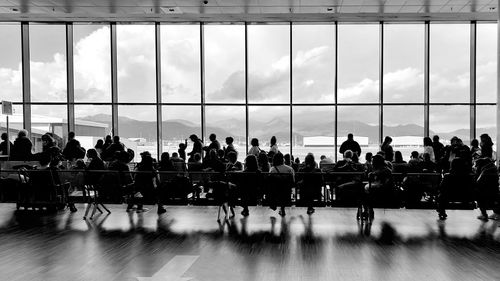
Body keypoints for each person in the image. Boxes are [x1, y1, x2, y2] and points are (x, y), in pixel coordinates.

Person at [363, 154, 393, 221]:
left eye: (373, 161)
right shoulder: (385, 169)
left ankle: (367, 208)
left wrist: (372, 174)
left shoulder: (384, 170)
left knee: (366, 190)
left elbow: (383, 182)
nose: (372, 163)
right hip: (382, 188)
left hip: (382, 189)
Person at [269, 152, 295, 216]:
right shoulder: (289, 169)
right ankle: (282, 208)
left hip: (275, 190)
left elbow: (270, 181)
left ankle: (274, 204)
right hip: (286, 190)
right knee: (283, 193)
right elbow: (293, 181)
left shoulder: (272, 169)